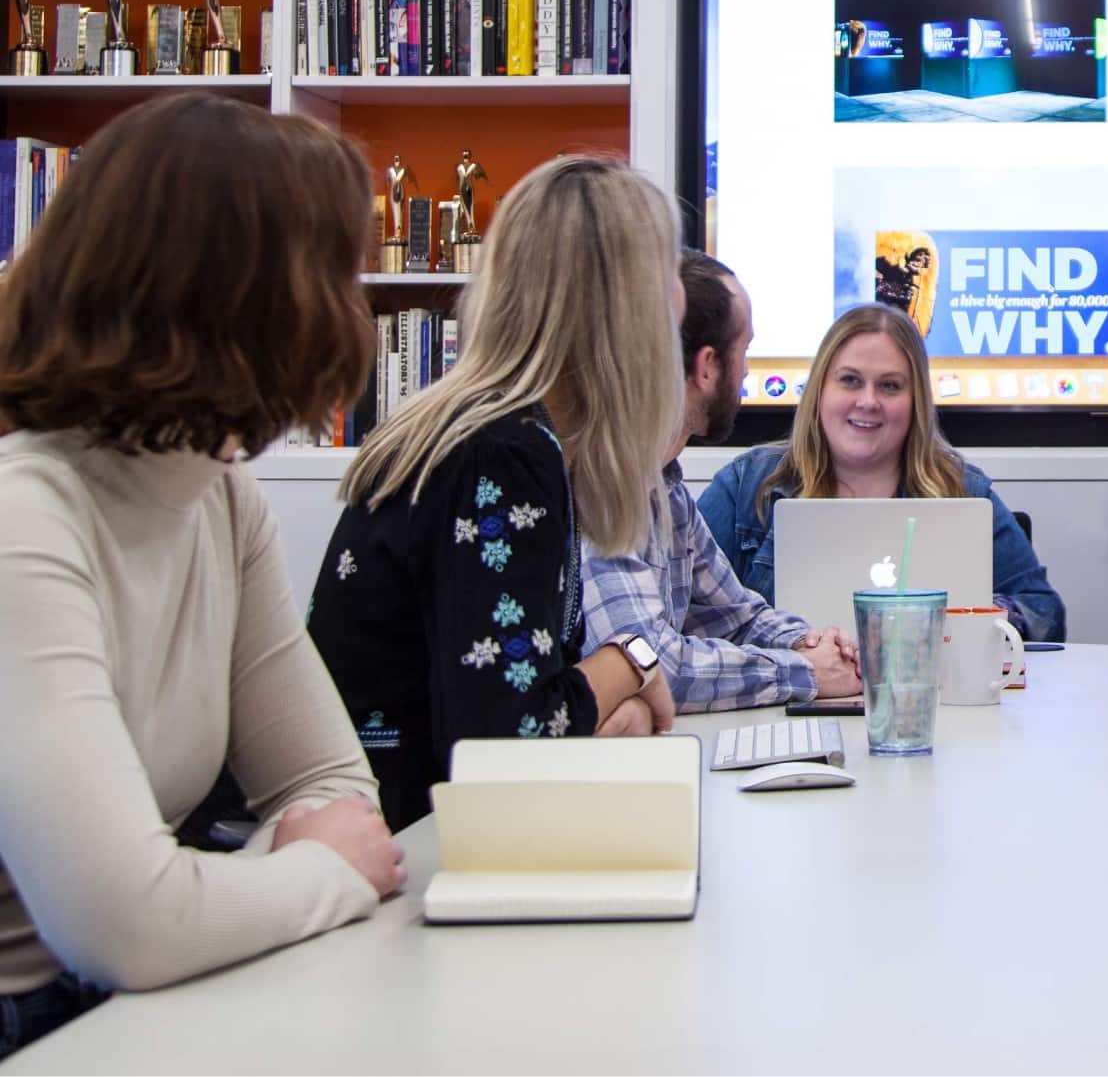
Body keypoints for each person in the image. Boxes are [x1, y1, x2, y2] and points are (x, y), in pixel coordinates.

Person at [0, 96, 404, 1057]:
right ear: (256, 299)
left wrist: (213, 900)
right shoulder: (23, 516)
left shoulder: (220, 500)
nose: (358, 309)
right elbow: (127, 926)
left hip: (136, 1001)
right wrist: (307, 873)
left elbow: (336, 790)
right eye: (337, 274)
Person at [309, 156, 684, 831]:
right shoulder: (505, 456)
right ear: (626, 315)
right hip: (403, 851)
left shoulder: (493, 435)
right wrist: (629, 658)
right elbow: (510, 743)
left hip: (397, 833)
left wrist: (606, 692)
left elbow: (549, 706)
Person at [582, 252, 862, 710]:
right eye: (745, 350)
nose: (748, 371)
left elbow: (734, 616)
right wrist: (807, 672)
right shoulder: (603, 484)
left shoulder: (666, 487)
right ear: (708, 365)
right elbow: (651, 667)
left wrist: (808, 645)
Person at [700, 305, 1068, 642]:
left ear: (916, 401)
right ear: (819, 390)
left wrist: (971, 617)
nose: (868, 401)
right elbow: (680, 608)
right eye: (850, 380)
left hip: (929, 702)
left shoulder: (964, 489)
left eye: (890, 385)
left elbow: (1045, 614)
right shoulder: (746, 484)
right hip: (784, 701)